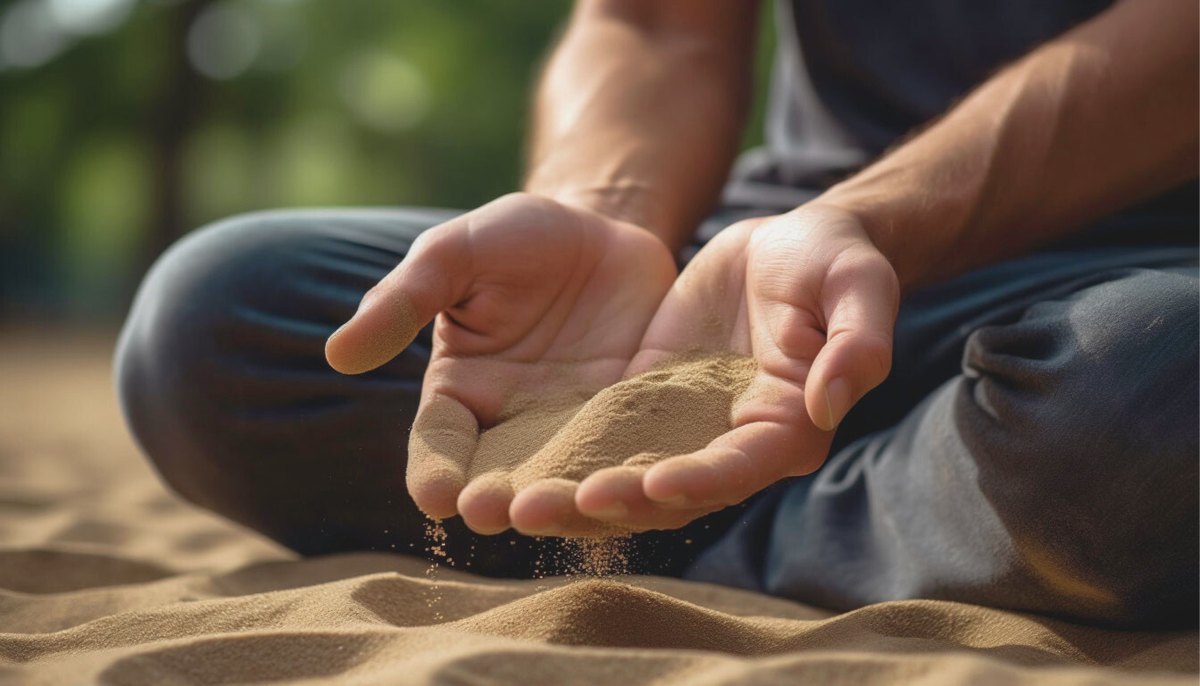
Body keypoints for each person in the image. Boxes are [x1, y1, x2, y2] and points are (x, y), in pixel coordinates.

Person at [115, 0, 1198, 628]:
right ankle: (887, 520)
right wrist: (600, 218)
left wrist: (873, 220)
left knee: (1150, 398)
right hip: (742, 278)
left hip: (1129, 281)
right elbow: (653, 21)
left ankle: (692, 535)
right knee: (214, 325)